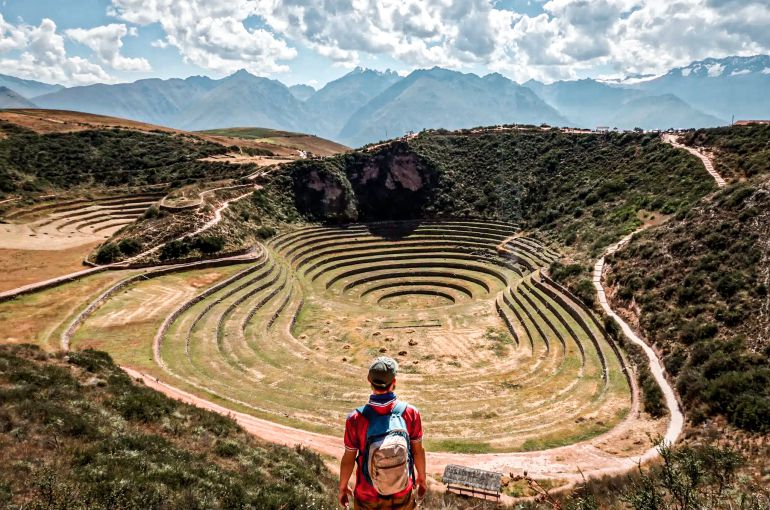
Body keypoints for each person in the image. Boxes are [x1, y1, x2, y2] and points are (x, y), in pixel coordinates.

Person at [339, 357, 427, 509]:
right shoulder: (411, 413)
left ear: (369, 380)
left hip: (368, 496)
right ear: (394, 381)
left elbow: (348, 459)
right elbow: (418, 452)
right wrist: (422, 478)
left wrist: (343, 487)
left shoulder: (355, 418)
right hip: (402, 493)